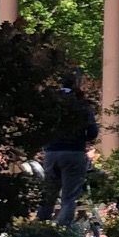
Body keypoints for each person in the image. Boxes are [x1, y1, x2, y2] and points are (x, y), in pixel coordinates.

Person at [38, 90, 99, 229]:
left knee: (49, 193)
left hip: (51, 153)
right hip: (74, 152)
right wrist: (80, 138)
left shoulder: (52, 106)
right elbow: (92, 133)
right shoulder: (83, 107)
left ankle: (40, 226)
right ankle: (63, 229)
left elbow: (41, 129)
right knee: (69, 196)